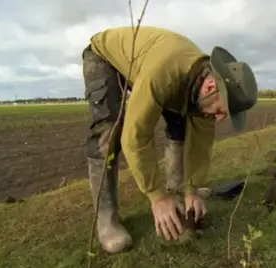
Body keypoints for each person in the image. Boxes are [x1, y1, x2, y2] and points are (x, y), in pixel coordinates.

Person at [81, 26, 259, 254]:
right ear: (211, 87)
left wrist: (192, 190)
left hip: (152, 68)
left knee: (180, 126)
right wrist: (156, 196)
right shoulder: (166, 73)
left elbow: (201, 145)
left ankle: (176, 193)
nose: (221, 117)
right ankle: (107, 220)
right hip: (104, 57)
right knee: (109, 134)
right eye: (223, 110)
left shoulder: (206, 92)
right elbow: (136, 136)